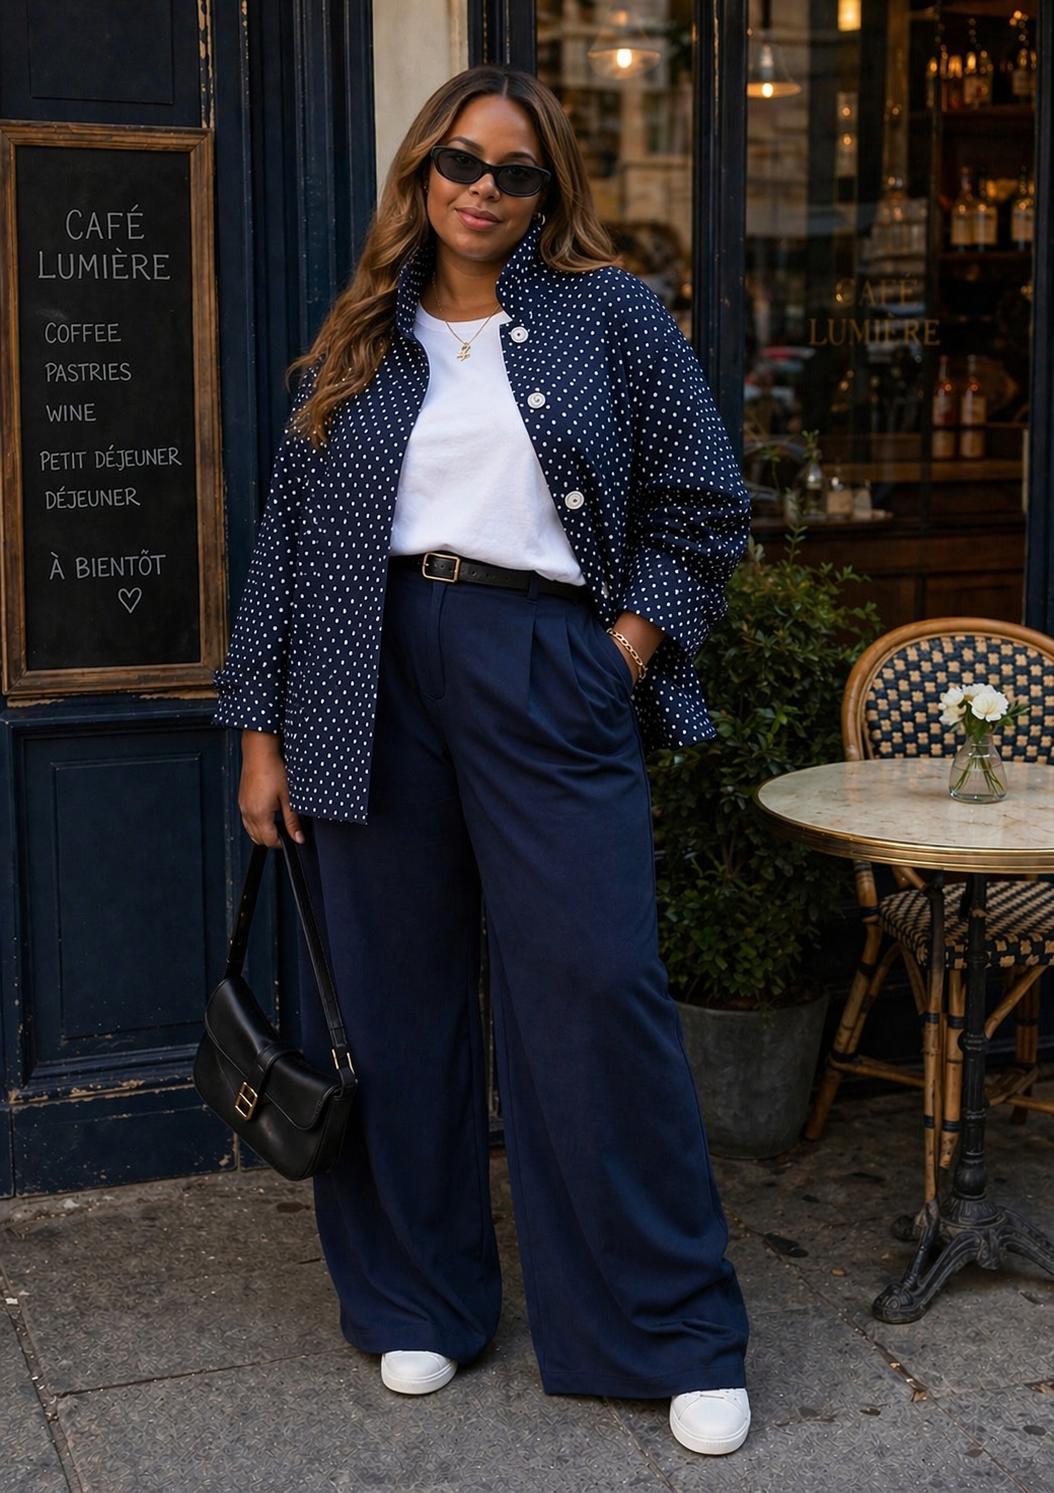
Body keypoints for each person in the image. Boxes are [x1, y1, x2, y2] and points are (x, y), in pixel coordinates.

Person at [216, 64, 752, 1457]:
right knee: (394, 1006)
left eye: (514, 172)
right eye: (460, 160)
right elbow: (288, 545)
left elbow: (703, 505)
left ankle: (661, 1328)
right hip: (362, 672)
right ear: (419, 170)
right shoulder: (359, 337)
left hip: (543, 666)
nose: (482, 190)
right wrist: (260, 733)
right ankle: (417, 1298)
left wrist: (622, 651)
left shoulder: (612, 319)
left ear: (547, 191)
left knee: (594, 990)